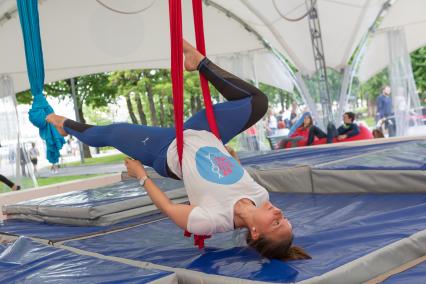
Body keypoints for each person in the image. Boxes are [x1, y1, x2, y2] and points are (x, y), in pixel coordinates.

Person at [45, 39, 310, 261]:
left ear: (254, 232)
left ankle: (64, 125)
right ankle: (199, 62)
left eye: (276, 223)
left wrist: (141, 176)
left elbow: (170, 209)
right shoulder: (261, 195)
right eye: (283, 217)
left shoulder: (213, 220)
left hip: (170, 150)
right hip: (207, 134)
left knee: (111, 133)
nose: (278, 212)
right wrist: (232, 157)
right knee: (258, 102)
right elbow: (234, 176)